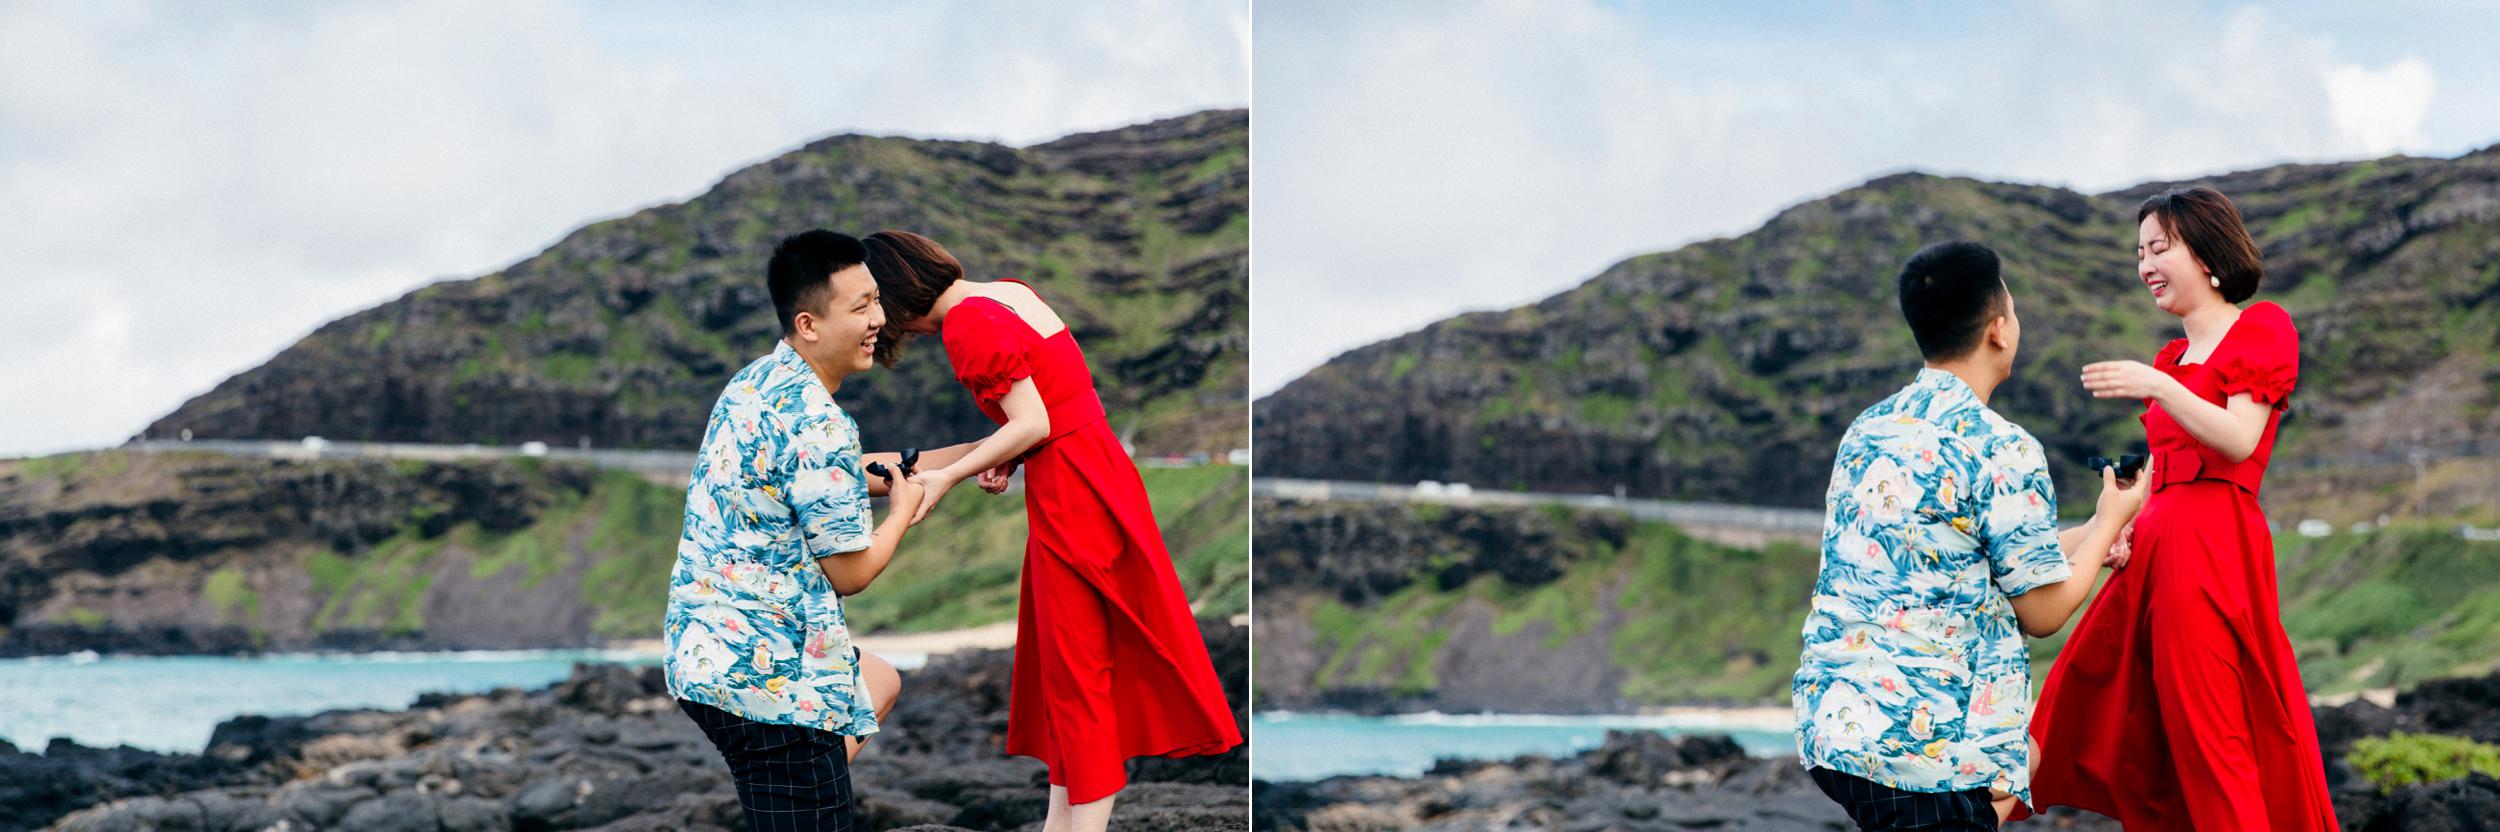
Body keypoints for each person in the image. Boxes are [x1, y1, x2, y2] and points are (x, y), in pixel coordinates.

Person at [861, 230, 1243, 832]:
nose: (886, 325)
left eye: (877, 306)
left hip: (1073, 497)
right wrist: (1005, 456)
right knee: (1072, 670)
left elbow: (1033, 418)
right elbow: (1057, 403)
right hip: (1096, 474)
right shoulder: (1010, 293)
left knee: (1078, 678)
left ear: (898, 294)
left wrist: (951, 475)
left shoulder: (966, 327)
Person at [1793, 240, 2146, 831]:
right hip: (1923, 751)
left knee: (2025, 761)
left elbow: (1967, 557)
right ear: (1998, 331)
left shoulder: (1869, 428)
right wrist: (2113, 516)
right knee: (2014, 770)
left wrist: (2091, 534)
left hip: (1834, 724)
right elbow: (2043, 610)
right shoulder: (2003, 447)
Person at [2022, 187, 2338, 830]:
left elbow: (2240, 438)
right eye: (2140, 252)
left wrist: (2158, 385)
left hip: (2211, 549)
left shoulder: (2261, 327)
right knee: (2078, 701)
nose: (2146, 265)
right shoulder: (2173, 358)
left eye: (2160, 248)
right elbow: (2161, 475)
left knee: (2209, 727)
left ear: (2208, 250)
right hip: (2153, 551)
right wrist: (2116, 527)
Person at [662, 230, 979, 831]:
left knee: (878, 681)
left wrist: (972, 456)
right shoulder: (820, 423)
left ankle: (798, 794)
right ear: (809, 323)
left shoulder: (756, 383)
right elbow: (852, 572)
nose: (879, 321)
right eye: (860, 308)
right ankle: (802, 791)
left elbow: (831, 475)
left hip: (702, 656)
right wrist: (905, 510)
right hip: (770, 685)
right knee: (811, 804)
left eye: (877, 302)